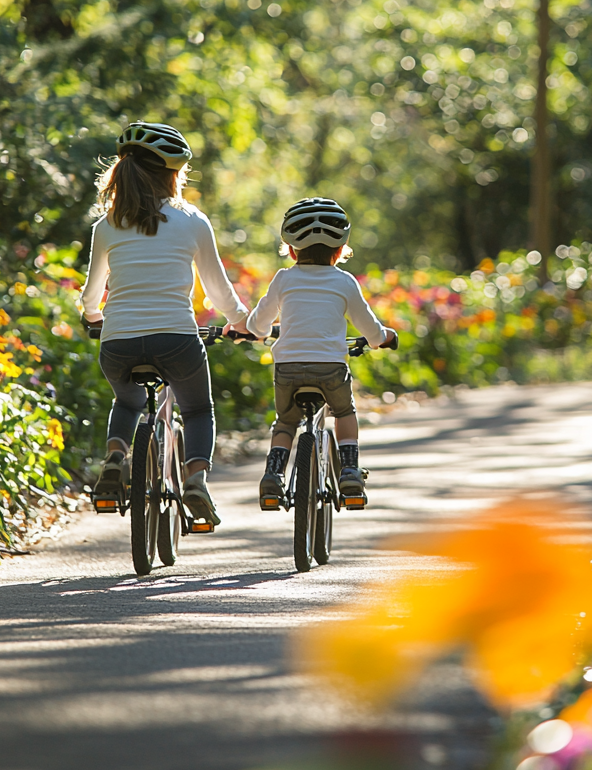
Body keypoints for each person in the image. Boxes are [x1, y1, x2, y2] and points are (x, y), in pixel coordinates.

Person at [80, 121, 249, 526]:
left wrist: (93, 318)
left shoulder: (106, 226)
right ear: (174, 174)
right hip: (177, 340)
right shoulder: (192, 220)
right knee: (197, 410)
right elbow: (219, 290)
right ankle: (195, 481)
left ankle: (116, 458)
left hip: (118, 342)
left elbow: (91, 294)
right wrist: (242, 323)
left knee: (127, 401)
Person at [246, 197, 395, 509]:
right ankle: (350, 470)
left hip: (287, 369)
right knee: (344, 412)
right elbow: (370, 329)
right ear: (340, 251)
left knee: (286, 423)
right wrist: (384, 338)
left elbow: (258, 324)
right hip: (330, 370)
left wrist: (261, 331)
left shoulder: (283, 279)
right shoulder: (344, 282)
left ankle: (273, 475)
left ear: (290, 249)